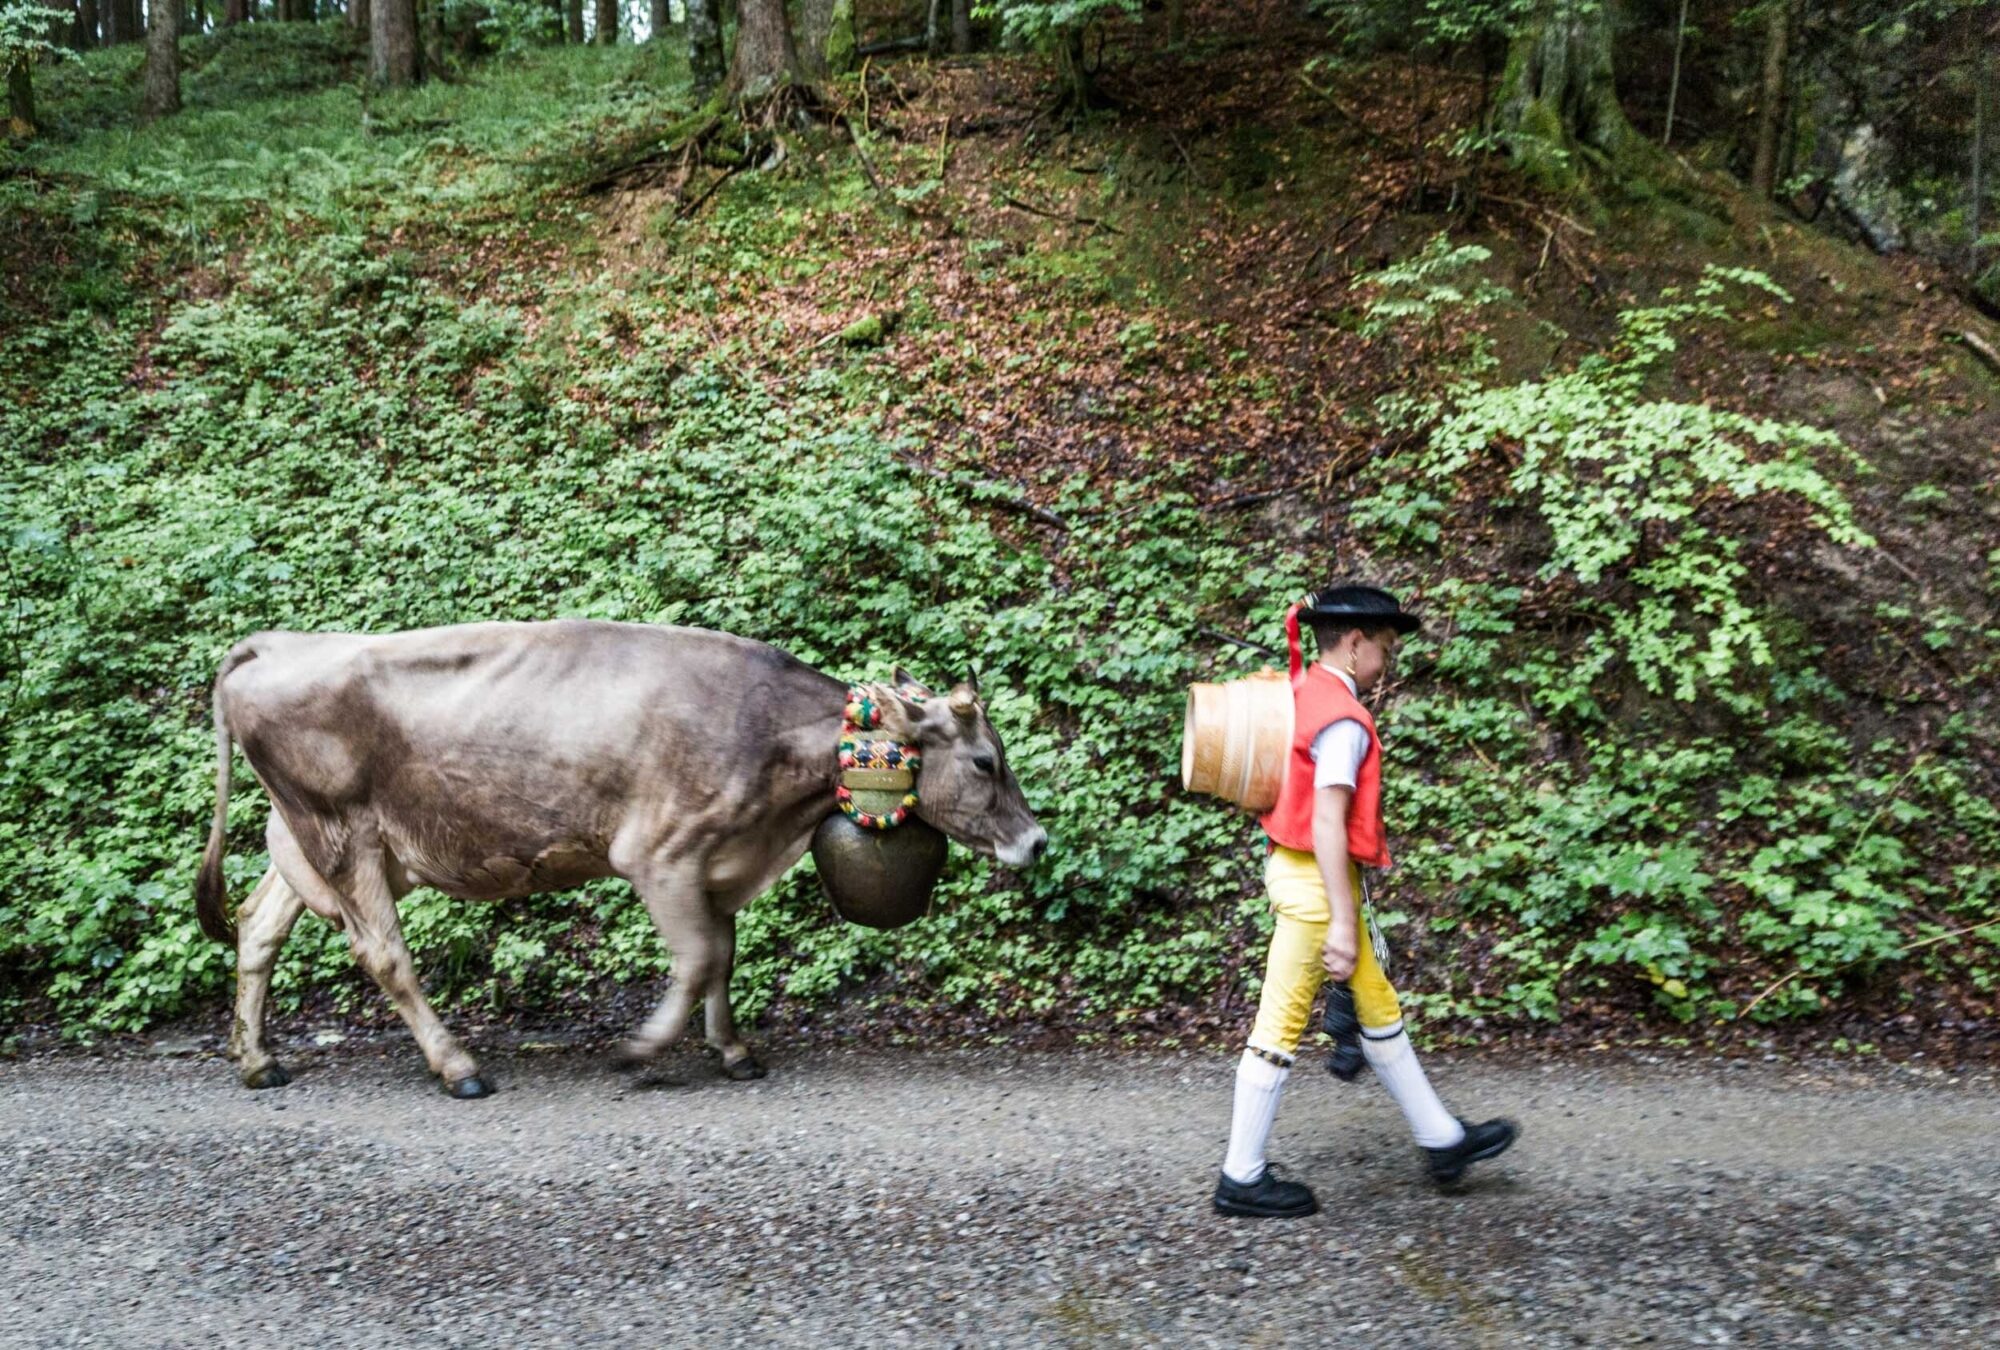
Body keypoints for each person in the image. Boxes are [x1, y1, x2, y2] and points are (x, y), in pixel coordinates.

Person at [1212, 584, 1518, 1219]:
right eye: (1385, 646)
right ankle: (1240, 1177)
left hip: (1305, 879)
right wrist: (1344, 922)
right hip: (1315, 892)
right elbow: (1328, 823)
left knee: (1377, 1008)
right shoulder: (1344, 720)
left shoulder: (1304, 691)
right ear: (1354, 645)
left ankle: (1442, 1141)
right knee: (1277, 1028)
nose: (1389, 659)